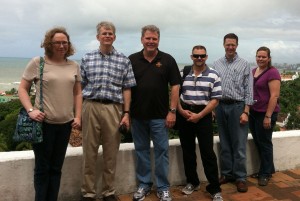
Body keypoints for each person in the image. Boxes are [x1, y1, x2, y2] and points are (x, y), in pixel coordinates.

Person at [18, 27, 82, 201]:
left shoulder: (74, 65)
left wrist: (77, 116)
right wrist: (31, 110)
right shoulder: (38, 62)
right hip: (43, 125)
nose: (61, 46)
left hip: (65, 125)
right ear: (49, 44)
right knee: (42, 168)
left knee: (56, 168)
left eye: (65, 42)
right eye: (57, 42)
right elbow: (22, 89)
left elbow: (77, 93)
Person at [80, 21, 136, 201]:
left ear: (115, 37)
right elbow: (80, 87)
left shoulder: (123, 60)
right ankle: (88, 193)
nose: (107, 36)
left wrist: (126, 113)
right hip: (91, 105)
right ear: (98, 37)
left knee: (111, 153)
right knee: (89, 152)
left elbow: (127, 88)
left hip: (114, 108)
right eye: (104, 33)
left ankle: (108, 192)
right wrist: (78, 113)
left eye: (110, 33)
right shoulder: (87, 58)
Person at [129, 25, 181, 201]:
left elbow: (175, 85)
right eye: (148, 38)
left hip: (160, 116)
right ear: (142, 39)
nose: (151, 41)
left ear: (158, 40)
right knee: (141, 151)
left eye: (154, 38)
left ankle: (163, 187)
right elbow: (126, 88)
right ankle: (144, 185)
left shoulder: (167, 60)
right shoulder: (132, 60)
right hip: (137, 116)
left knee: (161, 152)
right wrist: (126, 113)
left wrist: (172, 111)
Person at [177, 45, 223, 201]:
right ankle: (192, 182)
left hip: (203, 115)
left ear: (206, 57)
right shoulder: (183, 73)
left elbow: (215, 99)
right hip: (185, 114)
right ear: (191, 56)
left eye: (202, 56)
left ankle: (214, 188)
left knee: (208, 153)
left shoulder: (214, 75)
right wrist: (181, 111)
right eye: (196, 56)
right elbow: (175, 93)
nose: (199, 58)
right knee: (187, 151)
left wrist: (200, 115)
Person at [213, 33, 253, 193]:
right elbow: (213, 87)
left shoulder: (244, 64)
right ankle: (227, 174)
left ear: (237, 45)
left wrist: (246, 111)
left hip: (238, 107)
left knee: (239, 145)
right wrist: (213, 108)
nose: (230, 47)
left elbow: (249, 89)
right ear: (223, 44)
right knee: (225, 144)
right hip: (221, 106)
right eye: (228, 44)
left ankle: (241, 177)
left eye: (233, 44)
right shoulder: (216, 64)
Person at [249, 46, 281, 186]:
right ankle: (267, 169)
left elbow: (274, 96)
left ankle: (265, 173)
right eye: (258, 56)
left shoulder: (272, 72)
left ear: (269, 58)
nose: (260, 59)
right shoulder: (253, 71)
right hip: (254, 112)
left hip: (266, 113)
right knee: (258, 142)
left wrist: (268, 116)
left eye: (263, 57)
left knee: (265, 143)